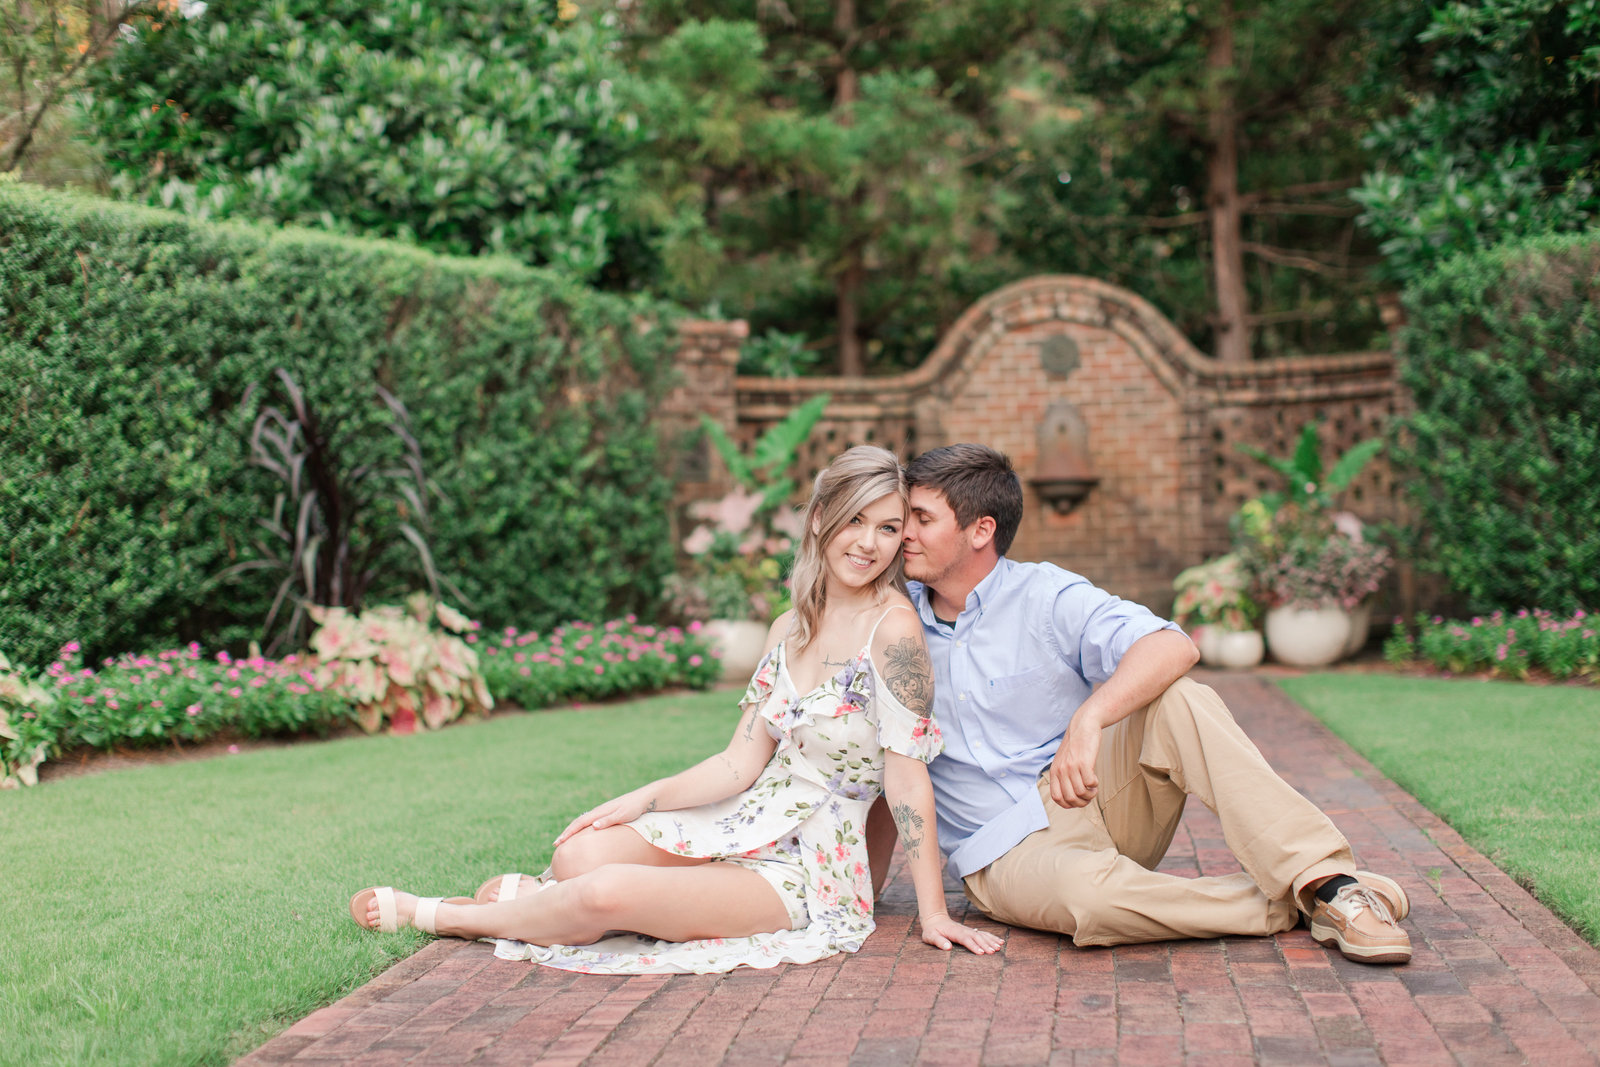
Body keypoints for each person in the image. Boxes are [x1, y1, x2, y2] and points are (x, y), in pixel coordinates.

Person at [349, 445, 1002, 973]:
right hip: (750, 816)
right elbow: (738, 761)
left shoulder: (892, 632)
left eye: (889, 527)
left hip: (813, 861)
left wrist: (930, 910)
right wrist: (642, 798)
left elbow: (907, 775)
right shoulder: (788, 628)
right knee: (581, 853)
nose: (870, 542)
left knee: (605, 892)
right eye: (856, 519)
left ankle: (450, 914)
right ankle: (558, 900)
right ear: (819, 518)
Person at [864, 442, 1412, 964]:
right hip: (1003, 854)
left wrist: (1092, 716)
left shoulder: (1045, 595)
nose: (902, 534)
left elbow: (1172, 644)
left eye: (921, 518)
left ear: (981, 529)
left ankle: (1330, 882)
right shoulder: (891, 622)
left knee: (1178, 700)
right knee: (1091, 901)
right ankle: (1304, 899)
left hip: (1084, 793)